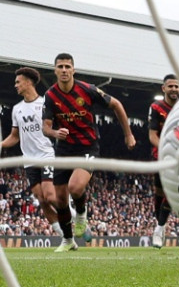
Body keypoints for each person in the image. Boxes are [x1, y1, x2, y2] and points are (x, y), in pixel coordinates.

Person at [42, 53, 136, 252]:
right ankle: (68, 241)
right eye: (61, 66)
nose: (64, 70)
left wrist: (128, 134)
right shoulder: (50, 96)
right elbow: (46, 127)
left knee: (75, 188)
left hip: (87, 147)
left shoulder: (88, 90)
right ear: (55, 70)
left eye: (68, 66)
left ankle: (82, 215)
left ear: (73, 70)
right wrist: (54, 133)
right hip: (63, 149)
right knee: (59, 199)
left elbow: (117, 104)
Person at [1, 67, 64, 243]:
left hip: (46, 154)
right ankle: (66, 237)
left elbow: (55, 128)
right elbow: (14, 137)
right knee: (42, 199)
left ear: (28, 82)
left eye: (18, 82)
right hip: (29, 160)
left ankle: (79, 217)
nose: (15, 85)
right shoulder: (16, 109)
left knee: (50, 195)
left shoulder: (45, 104)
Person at [147, 74, 179, 249]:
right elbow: (152, 135)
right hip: (160, 155)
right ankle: (160, 222)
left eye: (176, 86)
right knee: (159, 193)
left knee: (172, 192)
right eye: (171, 86)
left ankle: (159, 229)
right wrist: (166, 149)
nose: (174, 89)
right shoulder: (156, 107)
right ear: (164, 89)